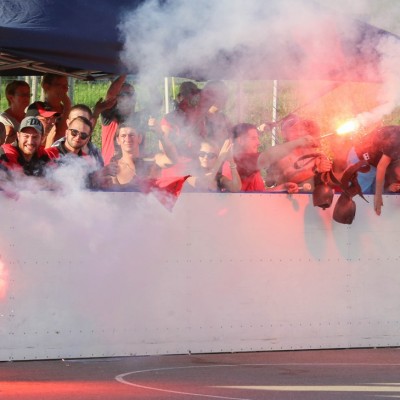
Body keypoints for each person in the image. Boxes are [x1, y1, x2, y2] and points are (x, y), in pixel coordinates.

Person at [223, 122, 319, 192]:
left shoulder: (248, 163)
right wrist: (299, 142)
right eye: (253, 138)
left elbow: (259, 194)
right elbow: (268, 156)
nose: (258, 143)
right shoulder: (240, 160)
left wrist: (282, 188)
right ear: (240, 141)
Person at [264, 115, 332, 189]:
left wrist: (325, 165)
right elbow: (289, 177)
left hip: (311, 196)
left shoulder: (311, 152)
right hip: (286, 196)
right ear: (283, 133)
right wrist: (316, 169)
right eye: (293, 130)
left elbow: (326, 180)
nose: (298, 133)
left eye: (300, 129)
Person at [347, 125, 400, 215]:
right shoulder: (397, 138)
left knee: (376, 196)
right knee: (363, 200)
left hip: (374, 164)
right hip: (361, 161)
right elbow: (381, 167)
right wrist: (378, 196)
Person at [100, 75, 139, 165]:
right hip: (111, 170)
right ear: (117, 97)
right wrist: (124, 74)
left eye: (131, 94)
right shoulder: (110, 117)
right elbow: (110, 96)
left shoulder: (139, 118)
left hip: (136, 170)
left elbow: (157, 104)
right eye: (123, 94)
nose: (128, 98)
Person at [28, 73, 71, 145]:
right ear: (46, 86)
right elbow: (59, 136)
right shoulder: (36, 108)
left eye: (66, 86)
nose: (65, 89)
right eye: (59, 85)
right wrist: (67, 107)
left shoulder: (68, 110)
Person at [0, 80, 31, 145]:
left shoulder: (30, 117)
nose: (27, 97)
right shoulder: (3, 119)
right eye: (23, 95)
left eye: (28, 94)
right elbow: (5, 144)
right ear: (11, 97)